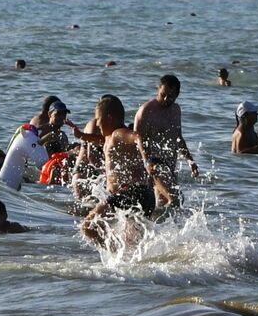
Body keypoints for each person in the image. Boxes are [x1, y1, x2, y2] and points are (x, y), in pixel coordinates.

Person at [75, 95, 162, 245]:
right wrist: (82, 136)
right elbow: (102, 141)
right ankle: (125, 262)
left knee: (87, 226)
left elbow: (137, 136)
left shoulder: (118, 134)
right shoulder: (111, 138)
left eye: (98, 120)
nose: (97, 124)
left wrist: (147, 161)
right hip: (143, 194)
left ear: (109, 118)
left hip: (130, 193)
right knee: (131, 243)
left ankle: (113, 255)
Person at [132, 75, 200, 206]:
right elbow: (137, 139)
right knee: (174, 200)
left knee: (165, 204)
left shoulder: (175, 110)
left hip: (169, 165)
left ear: (177, 96)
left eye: (170, 97)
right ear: (158, 89)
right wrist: (147, 162)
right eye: (163, 94)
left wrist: (190, 160)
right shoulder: (146, 110)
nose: (165, 99)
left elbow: (178, 139)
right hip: (151, 164)